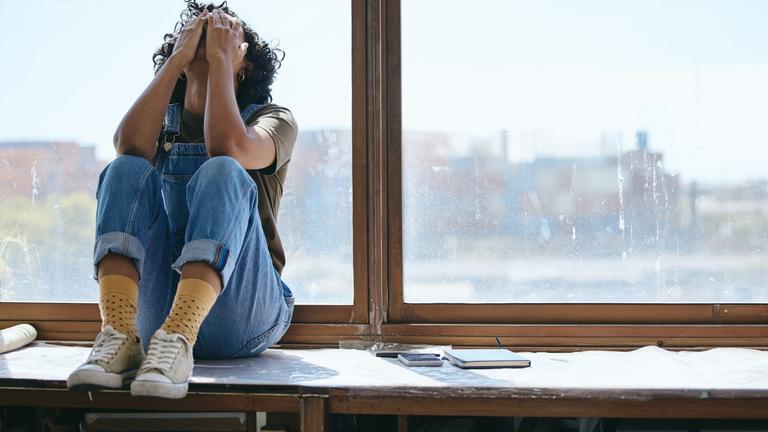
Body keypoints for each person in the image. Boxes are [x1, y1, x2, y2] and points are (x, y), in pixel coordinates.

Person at [66, 0, 298, 399]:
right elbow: (128, 144)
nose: (212, 34)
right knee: (124, 167)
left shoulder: (273, 119)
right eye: (200, 32)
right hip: (157, 318)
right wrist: (176, 60)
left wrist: (222, 61)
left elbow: (228, 146)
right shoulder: (162, 120)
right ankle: (120, 333)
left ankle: (182, 332)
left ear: (248, 64)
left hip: (242, 315)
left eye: (226, 31)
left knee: (223, 168)